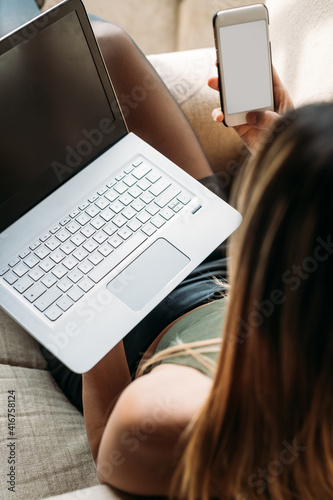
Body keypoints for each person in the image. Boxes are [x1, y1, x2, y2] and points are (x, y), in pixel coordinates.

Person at [2, 3, 333, 500]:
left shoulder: (182, 412)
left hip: (120, 333)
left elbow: (109, 443)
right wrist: (277, 149)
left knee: (27, 125)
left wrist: (88, 282)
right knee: (101, 45)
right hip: (225, 276)